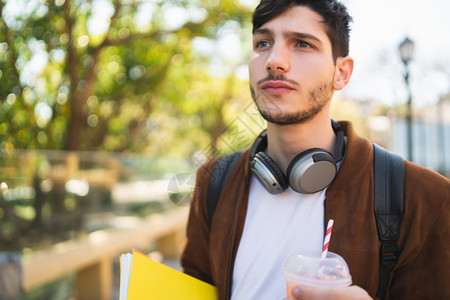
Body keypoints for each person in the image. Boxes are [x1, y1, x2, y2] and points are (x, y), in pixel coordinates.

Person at [181, 0, 450, 299]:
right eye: (263, 43)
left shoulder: (427, 197)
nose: (275, 60)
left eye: (303, 44)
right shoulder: (214, 180)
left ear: (341, 73)